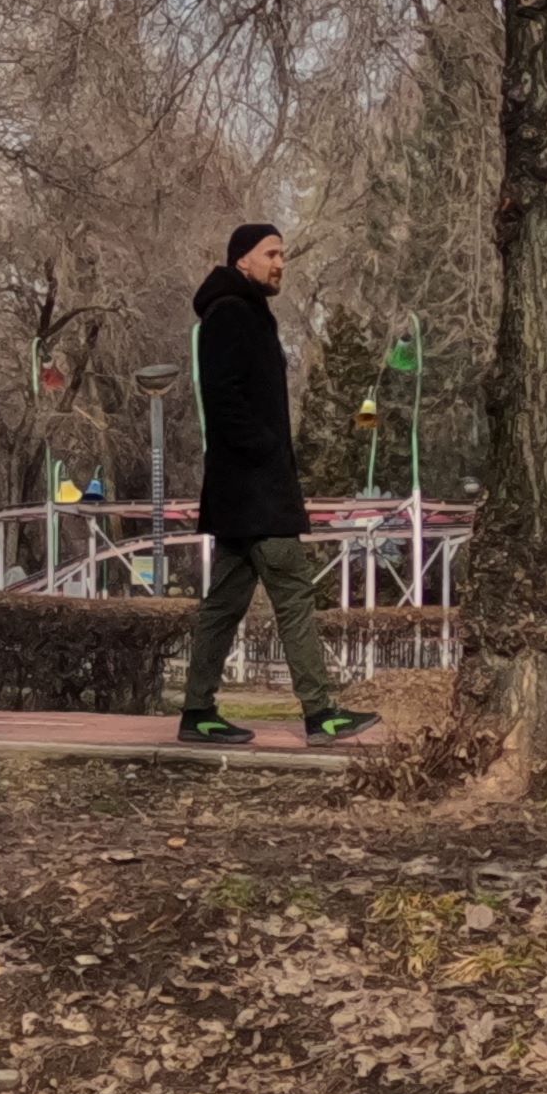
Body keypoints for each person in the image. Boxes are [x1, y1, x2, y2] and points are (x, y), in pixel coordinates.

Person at [179, 222, 369, 746]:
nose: (281, 262)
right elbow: (222, 398)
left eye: (283, 254)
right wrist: (265, 453)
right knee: (293, 595)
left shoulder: (246, 313)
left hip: (244, 491)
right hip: (255, 490)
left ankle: (197, 712)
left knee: (224, 604)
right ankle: (321, 713)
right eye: (272, 253)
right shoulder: (231, 315)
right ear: (243, 260)